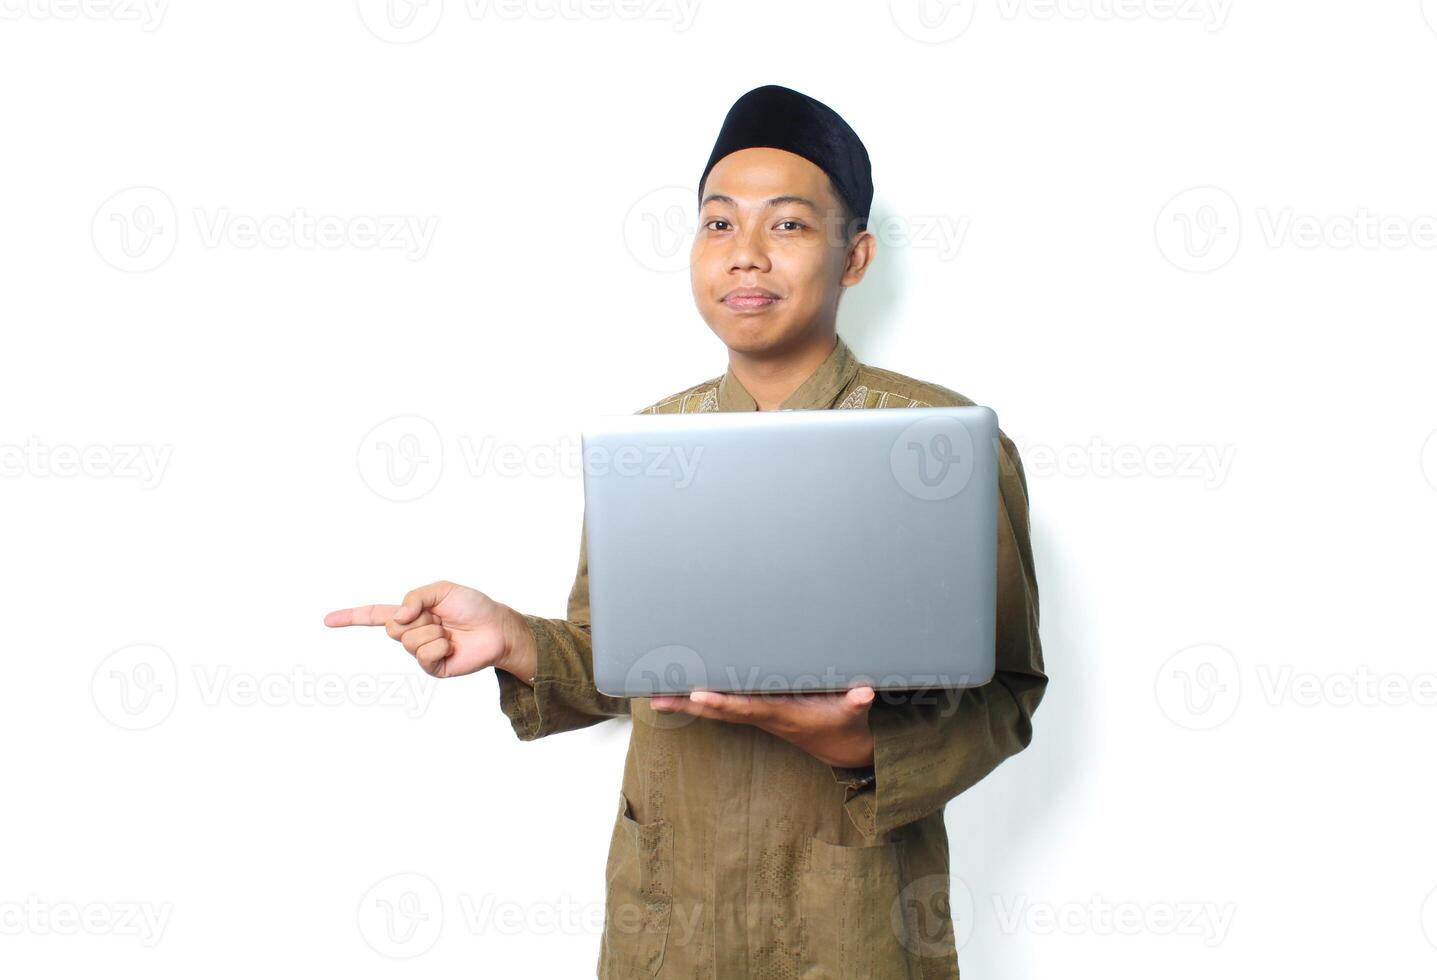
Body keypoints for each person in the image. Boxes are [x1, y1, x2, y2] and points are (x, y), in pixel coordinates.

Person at [324, 83, 1046, 979]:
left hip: (850, 923)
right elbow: (616, 659)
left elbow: (1006, 693)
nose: (745, 256)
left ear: (853, 256)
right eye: (717, 225)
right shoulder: (647, 447)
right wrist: (514, 640)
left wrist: (852, 744)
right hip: (669, 923)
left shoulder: (938, 449)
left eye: (786, 225)